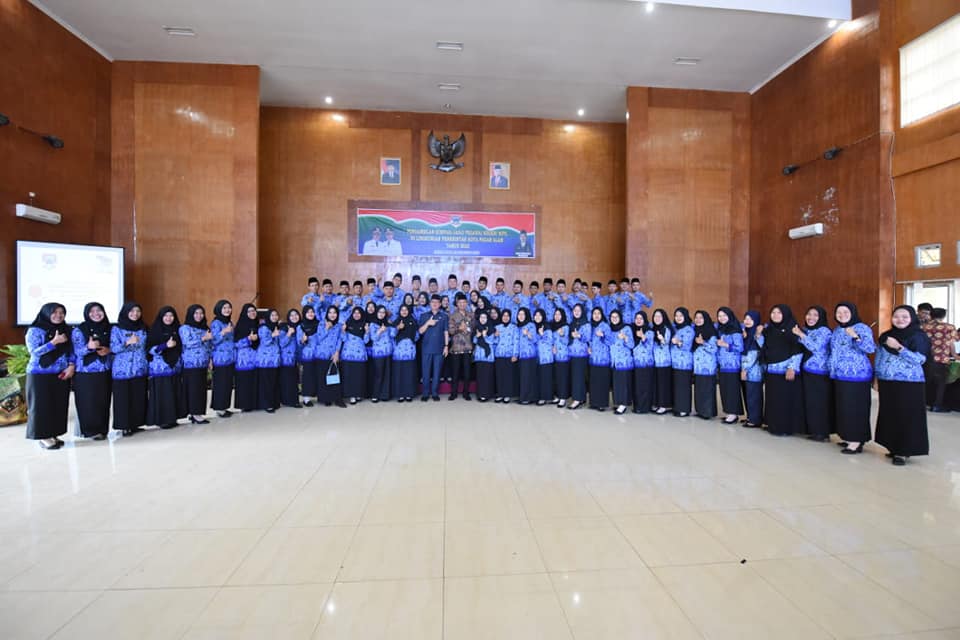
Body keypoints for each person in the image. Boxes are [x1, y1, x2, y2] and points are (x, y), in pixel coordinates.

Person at [875, 305, 931, 466]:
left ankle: (903, 450)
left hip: (909, 383)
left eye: (904, 317)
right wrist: (876, 377)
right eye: (896, 316)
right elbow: (879, 356)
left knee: (906, 416)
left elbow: (920, 359)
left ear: (912, 318)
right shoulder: (886, 335)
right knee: (890, 415)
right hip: (887, 381)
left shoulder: (918, 336)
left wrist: (899, 347)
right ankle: (893, 446)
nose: (900, 320)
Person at [25, 302, 75, 449]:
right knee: (41, 406)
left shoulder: (66, 329)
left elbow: (71, 350)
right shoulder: (35, 330)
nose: (58, 315)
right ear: (46, 313)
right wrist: (53, 342)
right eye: (54, 312)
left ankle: (53, 433)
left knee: (57, 405)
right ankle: (43, 437)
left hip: (60, 373)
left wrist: (71, 365)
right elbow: (34, 352)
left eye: (61, 313)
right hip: (39, 374)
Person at [829, 302, 876, 454]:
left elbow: (870, 348)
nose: (842, 315)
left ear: (853, 313)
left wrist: (856, 337)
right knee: (844, 407)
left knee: (855, 408)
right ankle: (848, 436)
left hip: (857, 375)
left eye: (845, 312)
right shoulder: (837, 329)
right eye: (839, 312)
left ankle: (856, 440)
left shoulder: (862, 328)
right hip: (839, 374)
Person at [71, 302, 112, 439]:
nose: (96, 314)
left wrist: (108, 350)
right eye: (92, 311)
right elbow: (76, 352)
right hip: (85, 372)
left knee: (103, 402)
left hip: (105, 370)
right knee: (88, 402)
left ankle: (102, 430)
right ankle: (90, 431)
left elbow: (114, 346)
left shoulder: (109, 328)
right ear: (87, 314)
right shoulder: (79, 330)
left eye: (99, 310)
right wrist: (88, 347)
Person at [762, 304, 804, 436]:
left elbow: (798, 349)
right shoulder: (769, 330)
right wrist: (758, 335)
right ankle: (773, 425)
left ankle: (784, 428)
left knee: (784, 400)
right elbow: (764, 347)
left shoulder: (793, 329)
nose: (775, 315)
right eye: (773, 312)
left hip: (786, 370)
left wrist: (792, 367)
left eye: (779, 313)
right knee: (772, 399)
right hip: (771, 370)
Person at [793, 306, 833, 440]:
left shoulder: (824, 331)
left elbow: (815, 347)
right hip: (806, 370)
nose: (811, 318)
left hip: (819, 372)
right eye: (809, 314)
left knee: (818, 402)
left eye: (815, 315)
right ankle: (811, 429)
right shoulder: (807, 330)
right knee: (809, 401)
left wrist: (801, 335)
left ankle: (821, 432)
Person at [111, 302, 148, 437]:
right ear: (125, 312)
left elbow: (146, 347)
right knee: (123, 399)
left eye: (138, 311)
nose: (135, 314)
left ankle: (136, 424)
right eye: (132, 311)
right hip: (122, 370)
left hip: (139, 368)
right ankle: (124, 426)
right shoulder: (117, 329)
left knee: (138, 397)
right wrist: (127, 342)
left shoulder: (143, 328)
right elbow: (113, 348)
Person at [145, 306, 186, 430]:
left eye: (171, 315)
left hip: (175, 368)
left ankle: (172, 418)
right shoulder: (155, 330)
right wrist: (165, 346)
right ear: (161, 317)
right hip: (160, 368)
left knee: (174, 393)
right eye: (166, 316)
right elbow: (149, 349)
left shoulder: (177, 329)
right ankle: (162, 420)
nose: (169, 318)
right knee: (163, 394)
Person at [180, 304, 213, 423]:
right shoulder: (185, 328)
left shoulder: (204, 328)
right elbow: (187, 343)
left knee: (201, 389)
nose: (199, 316)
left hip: (203, 363)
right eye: (196, 313)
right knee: (193, 389)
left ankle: (197, 412)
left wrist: (210, 359)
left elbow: (209, 345)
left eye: (201, 313)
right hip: (191, 364)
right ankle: (195, 413)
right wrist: (203, 339)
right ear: (191, 314)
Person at [923, 307, 957, 412]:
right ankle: (936, 405)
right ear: (943, 316)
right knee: (940, 384)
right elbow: (951, 343)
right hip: (942, 359)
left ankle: (924, 403)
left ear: (931, 315)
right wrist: (954, 355)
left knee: (926, 382)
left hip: (926, 358)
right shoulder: (949, 327)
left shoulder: (924, 327)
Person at [715, 307, 743, 424]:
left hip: (732, 365)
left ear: (730, 316)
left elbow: (740, 347)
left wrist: (725, 344)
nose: (721, 318)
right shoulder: (721, 330)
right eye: (719, 316)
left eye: (724, 315)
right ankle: (728, 412)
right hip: (722, 365)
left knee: (732, 390)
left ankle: (733, 413)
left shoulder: (735, 331)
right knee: (724, 389)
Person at [418, 294, 449, 401]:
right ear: (430, 304)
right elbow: (420, 331)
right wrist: (428, 323)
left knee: (437, 372)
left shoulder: (444, 316)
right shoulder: (423, 316)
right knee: (426, 372)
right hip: (426, 348)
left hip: (439, 348)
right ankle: (425, 393)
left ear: (440, 304)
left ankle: (435, 393)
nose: (435, 304)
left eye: (437, 302)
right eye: (433, 302)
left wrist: (446, 346)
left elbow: (446, 332)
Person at [210, 300, 236, 418]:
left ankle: (224, 407)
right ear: (219, 309)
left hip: (230, 358)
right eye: (224, 308)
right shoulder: (216, 323)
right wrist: (223, 332)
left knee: (227, 384)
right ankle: (219, 408)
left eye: (229, 307)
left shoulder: (229, 322)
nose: (227, 310)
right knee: (220, 384)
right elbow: (213, 340)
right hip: (220, 359)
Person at [315, 306, 346, 407]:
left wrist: (337, 352)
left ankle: (337, 399)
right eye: (330, 313)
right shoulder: (321, 324)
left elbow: (341, 339)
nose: (332, 315)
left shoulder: (339, 326)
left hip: (333, 354)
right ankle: (326, 398)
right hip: (322, 354)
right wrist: (326, 329)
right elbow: (318, 339)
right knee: (323, 377)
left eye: (334, 313)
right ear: (327, 314)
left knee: (334, 377)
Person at [692, 310, 718, 420]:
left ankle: (708, 412)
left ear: (706, 319)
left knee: (707, 389)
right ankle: (700, 410)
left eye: (701, 318)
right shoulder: (695, 331)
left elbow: (714, 349)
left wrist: (703, 343)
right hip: (698, 367)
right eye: (696, 317)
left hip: (708, 366)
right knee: (699, 389)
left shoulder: (711, 333)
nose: (698, 320)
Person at [234, 303, 260, 412]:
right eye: (249, 311)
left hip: (256, 359)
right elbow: (236, 344)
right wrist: (248, 339)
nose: (252, 313)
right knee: (244, 382)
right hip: (244, 360)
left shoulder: (258, 325)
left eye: (253, 311)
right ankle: (244, 405)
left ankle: (255, 404)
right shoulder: (240, 326)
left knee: (254, 381)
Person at [608, 309, 635, 415]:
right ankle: (618, 403)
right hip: (614, 361)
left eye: (616, 317)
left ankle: (623, 404)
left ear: (620, 318)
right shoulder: (610, 329)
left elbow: (631, 345)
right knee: (616, 383)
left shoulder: (626, 328)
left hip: (624, 361)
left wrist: (625, 337)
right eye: (612, 317)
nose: (614, 319)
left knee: (623, 383)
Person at [448, 293, 474, 400]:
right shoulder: (453, 315)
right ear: (457, 304)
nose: (462, 304)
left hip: (468, 348)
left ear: (466, 303)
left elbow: (474, 329)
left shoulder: (471, 315)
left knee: (467, 373)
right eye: (460, 302)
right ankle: (453, 393)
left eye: (464, 302)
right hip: (456, 348)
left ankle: (466, 393)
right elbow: (450, 331)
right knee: (455, 373)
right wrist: (459, 328)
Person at [740, 311, 764, 428]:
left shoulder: (758, 335)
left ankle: (755, 419)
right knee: (748, 394)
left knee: (754, 395)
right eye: (745, 319)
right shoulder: (746, 334)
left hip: (754, 372)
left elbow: (754, 355)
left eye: (750, 319)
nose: (747, 321)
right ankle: (750, 416)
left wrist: (745, 369)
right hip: (746, 370)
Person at [670, 307, 694, 417]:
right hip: (676, 363)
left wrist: (678, 342)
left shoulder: (689, 329)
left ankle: (684, 409)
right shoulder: (677, 329)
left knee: (683, 386)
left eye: (681, 316)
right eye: (676, 316)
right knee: (677, 386)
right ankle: (678, 407)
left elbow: (687, 346)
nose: (678, 318)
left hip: (684, 363)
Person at [341, 307, 369, 404]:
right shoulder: (347, 324)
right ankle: (351, 395)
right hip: (348, 354)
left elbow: (366, 341)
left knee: (359, 376)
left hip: (360, 355)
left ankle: (358, 394)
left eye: (358, 313)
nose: (356, 315)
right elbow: (343, 339)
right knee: (349, 376)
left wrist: (367, 332)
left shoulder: (364, 325)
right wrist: (343, 331)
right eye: (354, 313)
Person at [367, 305, 394, 402]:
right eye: (379, 312)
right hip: (378, 353)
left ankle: (384, 395)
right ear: (376, 313)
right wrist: (380, 331)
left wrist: (392, 325)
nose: (381, 314)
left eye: (383, 312)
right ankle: (375, 395)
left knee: (387, 375)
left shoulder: (387, 323)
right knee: (378, 374)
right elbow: (373, 338)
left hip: (388, 352)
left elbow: (393, 335)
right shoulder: (373, 324)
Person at [256, 309, 282, 413]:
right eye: (272, 315)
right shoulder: (263, 328)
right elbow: (264, 342)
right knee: (266, 383)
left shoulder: (275, 327)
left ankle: (274, 402)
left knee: (273, 382)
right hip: (265, 360)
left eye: (276, 315)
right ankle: (267, 405)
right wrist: (272, 335)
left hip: (274, 360)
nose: (275, 317)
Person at [588, 307, 614, 411]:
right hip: (593, 358)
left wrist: (602, 335)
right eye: (594, 313)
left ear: (602, 315)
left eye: (598, 313)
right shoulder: (591, 326)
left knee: (602, 382)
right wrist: (589, 347)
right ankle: (594, 402)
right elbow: (589, 340)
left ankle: (602, 403)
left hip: (603, 359)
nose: (596, 315)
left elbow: (610, 341)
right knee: (594, 381)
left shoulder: (605, 326)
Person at [392, 304, 419, 402]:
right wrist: (398, 328)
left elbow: (417, 336)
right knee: (399, 373)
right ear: (399, 311)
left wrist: (410, 339)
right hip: (399, 352)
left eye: (406, 310)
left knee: (409, 373)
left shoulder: (413, 321)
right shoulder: (396, 321)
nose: (404, 312)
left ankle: (409, 394)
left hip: (410, 352)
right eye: (402, 310)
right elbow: (391, 334)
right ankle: (400, 395)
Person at [567, 303, 590, 410]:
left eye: (578, 310)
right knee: (576, 377)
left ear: (582, 312)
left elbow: (588, 338)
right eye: (574, 310)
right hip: (572, 353)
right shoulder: (572, 323)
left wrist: (579, 335)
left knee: (578, 377)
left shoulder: (586, 324)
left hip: (581, 354)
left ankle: (577, 399)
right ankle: (581, 398)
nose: (576, 312)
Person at [631, 310, 655, 414]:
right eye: (636, 318)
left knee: (644, 386)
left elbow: (650, 347)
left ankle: (644, 407)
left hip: (646, 363)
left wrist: (643, 337)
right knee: (637, 386)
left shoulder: (649, 331)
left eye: (641, 318)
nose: (638, 320)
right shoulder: (633, 330)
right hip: (636, 363)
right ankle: (638, 406)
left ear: (645, 319)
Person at [494, 309, 519, 403]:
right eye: (504, 315)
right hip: (499, 354)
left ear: (510, 317)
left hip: (509, 355)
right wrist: (495, 336)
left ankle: (507, 395)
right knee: (499, 375)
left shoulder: (514, 328)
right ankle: (500, 394)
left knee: (508, 376)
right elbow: (494, 342)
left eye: (507, 316)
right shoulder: (497, 327)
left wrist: (515, 354)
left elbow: (516, 341)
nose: (505, 317)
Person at [650, 308, 673, 415]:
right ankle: (657, 403)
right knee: (656, 384)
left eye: (659, 316)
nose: (657, 318)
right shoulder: (653, 328)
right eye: (655, 316)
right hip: (655, 361)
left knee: (663, 384)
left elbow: (666, 342)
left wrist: (661, 339)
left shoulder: (666, 329)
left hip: (664, 361)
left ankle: (663, 405)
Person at [473, 309, 498, 402]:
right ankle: (480, 394)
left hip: (488, 356)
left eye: (485, 317)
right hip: (479, 355)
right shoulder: (476, 328)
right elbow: (474, 341)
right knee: (480, 376)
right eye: (481, 317)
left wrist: (485, 336)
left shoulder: (491, 328)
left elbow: (493, 341)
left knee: (488, 376)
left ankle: (487, 394)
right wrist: (477, 336)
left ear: (487, 319)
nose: (483, 319)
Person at [279, 309, 302, 408]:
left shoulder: (300, 327)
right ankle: (290, 401)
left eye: (296, 315)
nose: (294, 317)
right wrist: (288, 334)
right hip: (285, 359)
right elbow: (281, 344)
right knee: (287, 381)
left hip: (295, 359)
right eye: (291, 315)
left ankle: (292, 400)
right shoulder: (284, 327)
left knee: (294, 381)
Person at [516, 308, 539, 404]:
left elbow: (535, 339)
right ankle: (523, 396)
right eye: (519, 314)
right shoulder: (518, 326)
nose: (521, 316)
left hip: (529, 355)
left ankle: (527, 398)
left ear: (526, 315)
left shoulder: (531, 325)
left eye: (523, 314)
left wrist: (528, 334)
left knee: (528, 377)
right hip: (521, 355)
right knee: (523, 377)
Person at [532, 308, 555, 406]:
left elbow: (549, 341)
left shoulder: (547, 326)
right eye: (536, 315)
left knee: (545, 378)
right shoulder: (533, 326)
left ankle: (545, 397)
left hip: (546, 356)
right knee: (539, 377)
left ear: (543, 317)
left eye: (539, 315)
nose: (537, 317)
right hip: (537, 356)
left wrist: (542, 334)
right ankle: (539, 396)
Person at [298, 306, 320, 406]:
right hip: (308, 355)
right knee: (308, 377)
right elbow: (299, 342)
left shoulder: (319, 324)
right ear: (304, 314)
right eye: (308, 312)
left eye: (312, 312)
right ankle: (306, 398)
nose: (311, 314)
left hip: (319, 354)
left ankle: (320, 395)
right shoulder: (301, 326)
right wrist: (303, 340)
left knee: (319, 375)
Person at [552, 308, 571, 408]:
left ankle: (563, 398)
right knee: (557, 377)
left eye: (559, 314)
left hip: (563, 356)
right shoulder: (553, 326)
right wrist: (552, 347)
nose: (557, 316)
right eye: (555, 314)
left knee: (563, 377)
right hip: (555, 356)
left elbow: (567, 342)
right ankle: (558, 395)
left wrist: (562, 335)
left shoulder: (566, 327)